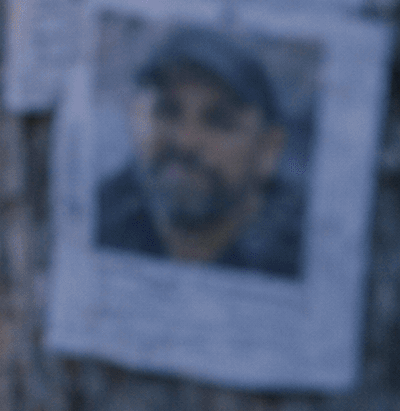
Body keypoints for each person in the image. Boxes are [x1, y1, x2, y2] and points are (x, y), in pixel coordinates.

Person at [95, 27, 303, 278]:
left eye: (219, 120)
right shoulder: (100, 217)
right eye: (168, 110)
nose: (185, 142)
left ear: (269, 148)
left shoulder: (303, 256)